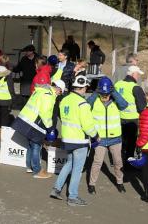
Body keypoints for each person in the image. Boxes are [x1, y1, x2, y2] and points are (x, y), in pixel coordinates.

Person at [50, 76, 99, 206]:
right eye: (85, 88)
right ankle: (72, 197)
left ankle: (56, 189)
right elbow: (88, 126)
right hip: (79, 140)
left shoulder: (64, 100)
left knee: (69, 164)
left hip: (67, 138)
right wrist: (96, 135)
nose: (86, 90)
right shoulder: (83, 104)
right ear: (82, 88)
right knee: (77, 169)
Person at [11, 80, 62, 178]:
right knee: (36, 146)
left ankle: (29, 167)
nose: (59, 94)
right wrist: (50, 127)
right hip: (33, 123)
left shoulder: (40, 91)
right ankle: (37, 170)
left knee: (30, 145)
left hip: (25, 120)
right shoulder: (49, 95)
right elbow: (45, 113)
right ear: (58, 88)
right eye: (60, 92)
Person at [86, 77, 128, 194]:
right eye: (102, 94)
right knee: (97, 162)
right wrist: (96, 92)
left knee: (118, 161)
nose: (105, 96)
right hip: (100, 138)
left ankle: (120, 182)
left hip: (115, 138)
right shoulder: (94, 101)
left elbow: (124, 105)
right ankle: (92, 184)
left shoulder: (115, 101)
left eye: (107, 94)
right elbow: (86, 105)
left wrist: (114, 91)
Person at [114, 66, 147, 169]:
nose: (138, 77)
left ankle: (117, 162)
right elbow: (142, 106)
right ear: (133, 74)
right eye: (138, 74)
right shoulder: (135, 87)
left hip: (118, 118)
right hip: (132, 120)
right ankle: (128, 165)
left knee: (121, 142)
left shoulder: (117, 84)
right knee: (131, 144)